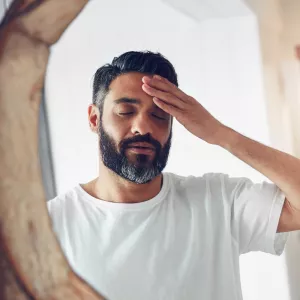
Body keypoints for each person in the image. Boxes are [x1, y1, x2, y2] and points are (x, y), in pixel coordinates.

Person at [47, 51, 300, 300]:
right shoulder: (50, 225)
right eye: (126, 112)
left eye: (159, 115)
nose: (143, 127)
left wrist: (219, 134)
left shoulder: (218, 200)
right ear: (94, 118)